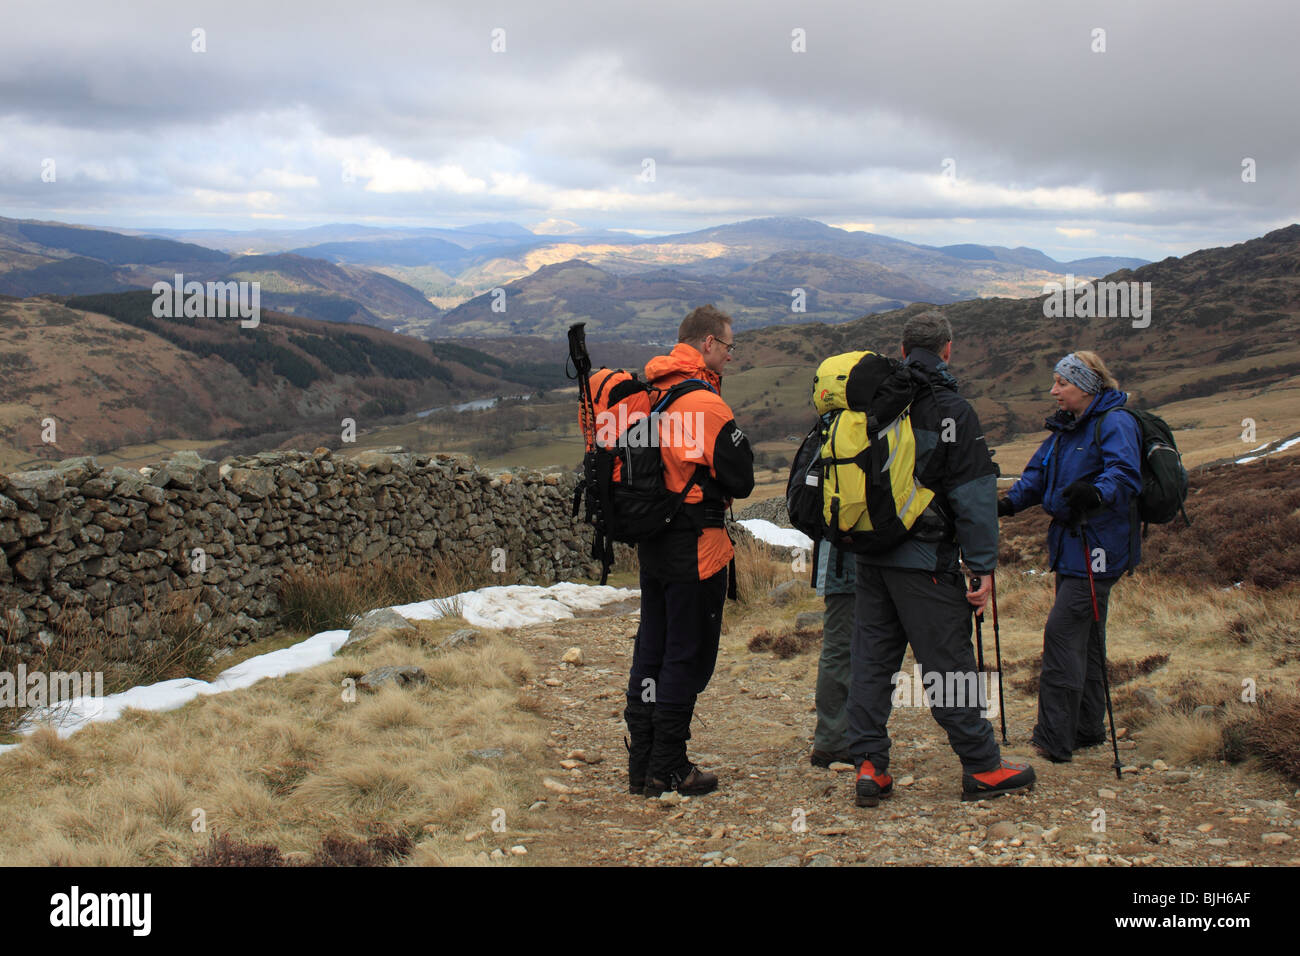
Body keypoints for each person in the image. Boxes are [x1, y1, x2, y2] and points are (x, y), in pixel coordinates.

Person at [847, 311, 1035, 806]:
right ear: (948, 350)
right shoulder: (951, 410)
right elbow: (973, 498)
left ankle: (869, 765)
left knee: (872, 661)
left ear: (903, 349)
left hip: (871, 557)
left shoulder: (873, 404)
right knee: (948, 666)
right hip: (925, 562)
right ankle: (982, 766)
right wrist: (983, 565)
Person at [624, 304, 755, 797]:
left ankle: (642, 767)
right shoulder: (703, 403)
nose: (729, 355)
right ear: (706, 344)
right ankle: (671, 767)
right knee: (686, 653)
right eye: (727, 346)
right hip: (697, 545)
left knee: (652, 648)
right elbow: (741, 478)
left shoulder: (650, 392)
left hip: (654, 543)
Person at [998, 351, 1142, 763]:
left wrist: (1096, 492)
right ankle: (1086, 729)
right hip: (1071, 549)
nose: (1053, 390)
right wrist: (1007, 505)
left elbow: (1124, 472)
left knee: (1062, 636)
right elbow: (1037, 475)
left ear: (1086, 385)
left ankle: (1053, 739)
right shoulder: (1066, 429)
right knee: (1088, 639)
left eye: (1062, 383)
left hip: (1097, 551)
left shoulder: (1115, 422)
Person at [811, 543, 855, 767]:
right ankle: (833, 741)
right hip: (845, 568)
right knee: (840, 651)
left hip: (843, 569)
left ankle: (837, 737)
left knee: (841, 651)